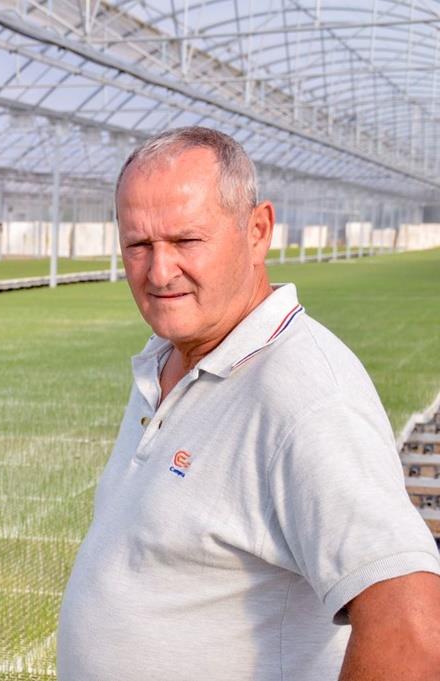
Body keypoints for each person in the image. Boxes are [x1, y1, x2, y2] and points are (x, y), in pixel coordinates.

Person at [56, 127, 440, 680]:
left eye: (186, 241)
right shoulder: (169, 359)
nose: (159, 272)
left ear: (257, 230)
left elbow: (413, 632)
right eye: (139, 245)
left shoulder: (304, 393)